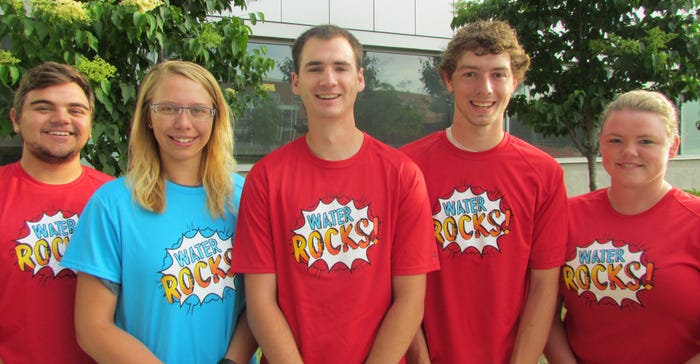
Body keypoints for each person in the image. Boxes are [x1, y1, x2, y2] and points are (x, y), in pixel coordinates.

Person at [230, 24, 439, 364]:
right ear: (295, 82)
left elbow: (410, 301)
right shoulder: (265, 179)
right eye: (315, 68)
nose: (328, 80)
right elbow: (260, 303)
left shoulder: (402, 175)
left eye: (340, 67)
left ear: (359, 79)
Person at [60, 60, 257, 363]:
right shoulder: (112, 205)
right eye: (167, 108)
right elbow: (92, 327)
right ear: (148, 117)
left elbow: (259, 303)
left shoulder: (245, 198)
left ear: (216, 119)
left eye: (198, 110)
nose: (183, 123)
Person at [400, 20, 568, 363]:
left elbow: (543, 287)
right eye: (470, 74)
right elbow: (394, 283)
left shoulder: (543, 173)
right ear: (449, 80)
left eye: (498, 74)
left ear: (515, 82)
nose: (485, 88)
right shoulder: (406, 167)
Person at [544, 90, 700, 363]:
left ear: (673, 146)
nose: (629, 152)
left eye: (646, 141)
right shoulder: (565, 216)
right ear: (600, 144)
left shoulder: (694, 221)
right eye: (615, 140)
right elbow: (543, 310)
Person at [0, 61, 113, 363]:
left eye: (76, 110)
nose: (61, 119)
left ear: (90, 124)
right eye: (43, 108)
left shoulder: (117, 200)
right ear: (16, 119)